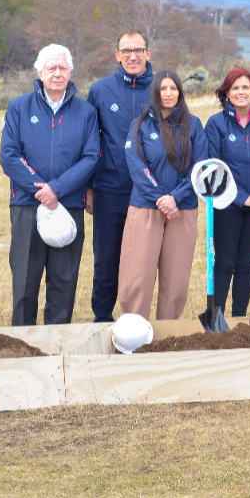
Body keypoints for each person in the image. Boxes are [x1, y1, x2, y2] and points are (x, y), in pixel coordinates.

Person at [0, 44, 99, 326]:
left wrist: (57, 188)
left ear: (70, 73)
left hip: (68, 206)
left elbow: (91, 157)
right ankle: (22, 347)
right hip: (27, 205)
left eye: (63, 68)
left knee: (64, 282)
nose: (58, 73)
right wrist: (41, 190)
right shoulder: (19, 107)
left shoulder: (86, 112)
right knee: (25, 282)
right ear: (40, 72)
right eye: (51, 68)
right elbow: (9, 155)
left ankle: (56, 345)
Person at [119, 70, 209, 320]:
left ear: (180, 92)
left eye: (173, 89)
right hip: (147, 208)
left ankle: (167, 336)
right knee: (136, 278)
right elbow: (137, 166)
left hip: (183, 210)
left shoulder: (195, 125)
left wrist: (176, 198)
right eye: (163, 89)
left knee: (176, 281)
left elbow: (200, 167)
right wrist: (161, 197)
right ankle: (134, 334)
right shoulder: (140, 125)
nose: (168, 94)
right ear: (155, 93)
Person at [85, 30, 155, 322]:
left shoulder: (163, 89)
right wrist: (89, 187)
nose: (133, 56)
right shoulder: (100, 90)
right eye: (126, 51)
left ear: (148, 53)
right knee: (107, 259)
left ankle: (137, 320)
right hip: (110, 189)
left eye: (138, 50)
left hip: (151, 192)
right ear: (117, 55)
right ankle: (102, 318)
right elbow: (89, 142)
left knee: (142, 261)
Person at [203, 67, 250, 317]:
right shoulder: (215, 124)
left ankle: (238, 319)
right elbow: (211, 167)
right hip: (227, 207)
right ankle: (217, 319)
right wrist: (240, 197)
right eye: (234, 87)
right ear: (226, 92)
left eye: (245, 87)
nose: (240, 92)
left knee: (246, 264)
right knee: (224, 263)